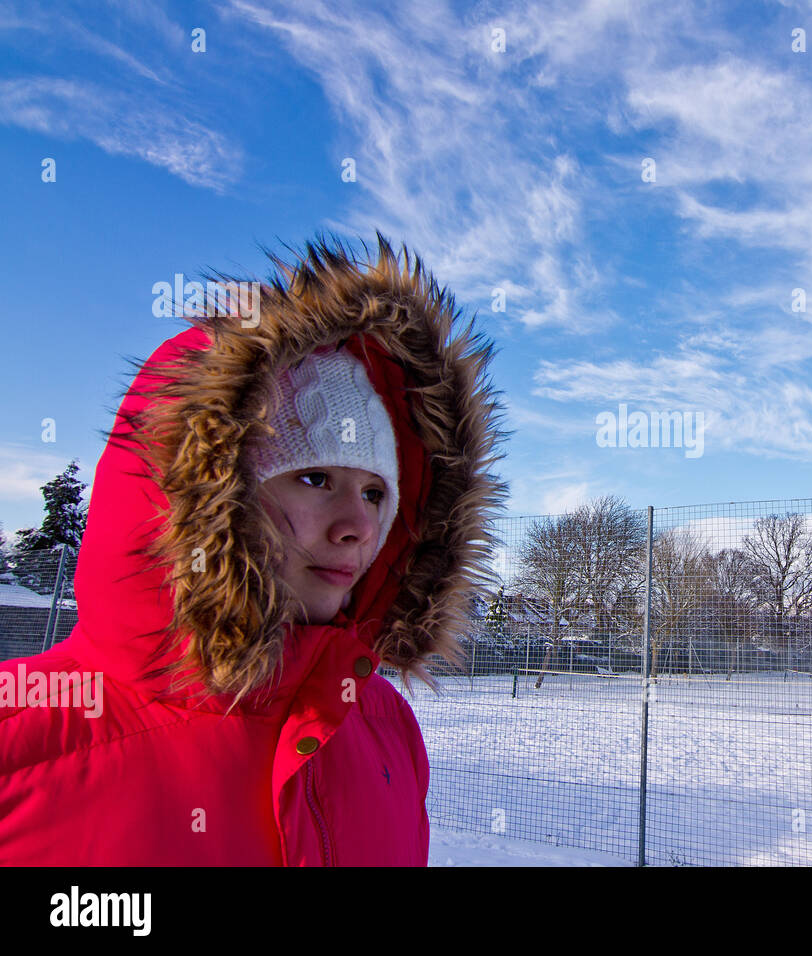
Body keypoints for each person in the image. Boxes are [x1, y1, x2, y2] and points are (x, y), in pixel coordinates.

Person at [0, 234, 507, 865]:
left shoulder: (383, 725)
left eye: (376, 494)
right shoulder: (20, 743)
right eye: (316, 478)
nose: (357, 526)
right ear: (212, 497)